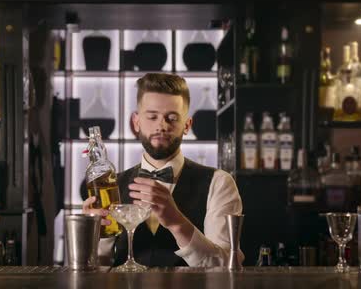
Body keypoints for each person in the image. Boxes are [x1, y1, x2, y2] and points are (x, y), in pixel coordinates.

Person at [83, 73, 243, 267]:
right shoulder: (112, 185)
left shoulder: (219, 183)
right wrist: (95, 236)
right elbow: (101, 267)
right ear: (136, 122)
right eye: (152, 117)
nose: (161, 125)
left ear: (187, 125)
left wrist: (176, 222)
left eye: (172, 118)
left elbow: (227, 267)